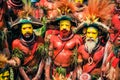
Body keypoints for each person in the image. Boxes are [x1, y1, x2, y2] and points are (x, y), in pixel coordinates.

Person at [45, 15, 83, 80]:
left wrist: (75, 75)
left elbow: (78, 61)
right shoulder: (53, 38)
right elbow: (49, 59)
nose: (64, 27)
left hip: (69, 73)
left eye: (67, 25)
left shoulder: (77, 39)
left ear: (71, 26)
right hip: (55, 72)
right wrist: (47, 75)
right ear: (59, 26)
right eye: (62, 25)